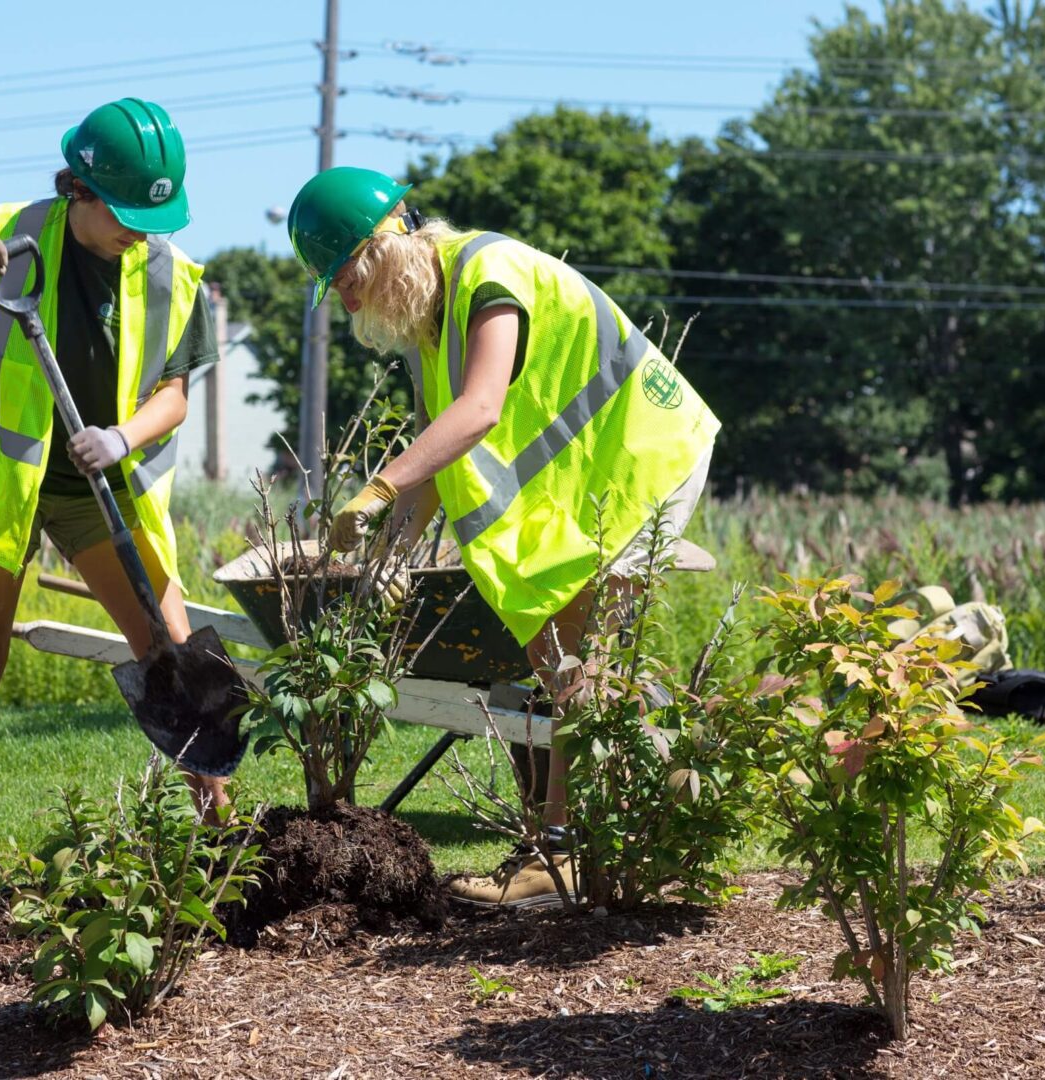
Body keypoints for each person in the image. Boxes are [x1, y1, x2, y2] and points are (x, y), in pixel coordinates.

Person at [285, 167, 721, 909]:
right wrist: (390, 549)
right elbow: (437, 455)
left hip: (649, 457)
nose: (350, 302)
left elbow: (480, 410)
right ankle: (624, 841)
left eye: (347, 281)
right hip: (597, 481)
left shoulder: (489, 270)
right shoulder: (433, 330)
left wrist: (378, 486)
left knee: (579, 663)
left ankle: (560, 861)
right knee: (563, 661)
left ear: (381, 250)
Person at [0, 98, 223, 906]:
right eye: (126, 214)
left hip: (102, 486)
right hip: (2, 481)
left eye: (156, 214)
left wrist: (123, 436)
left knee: (174, 655)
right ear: (80, 188)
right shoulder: (8, 237)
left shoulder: (173, 276)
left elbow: (177, 395)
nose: (142, 232)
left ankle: (224, 846)